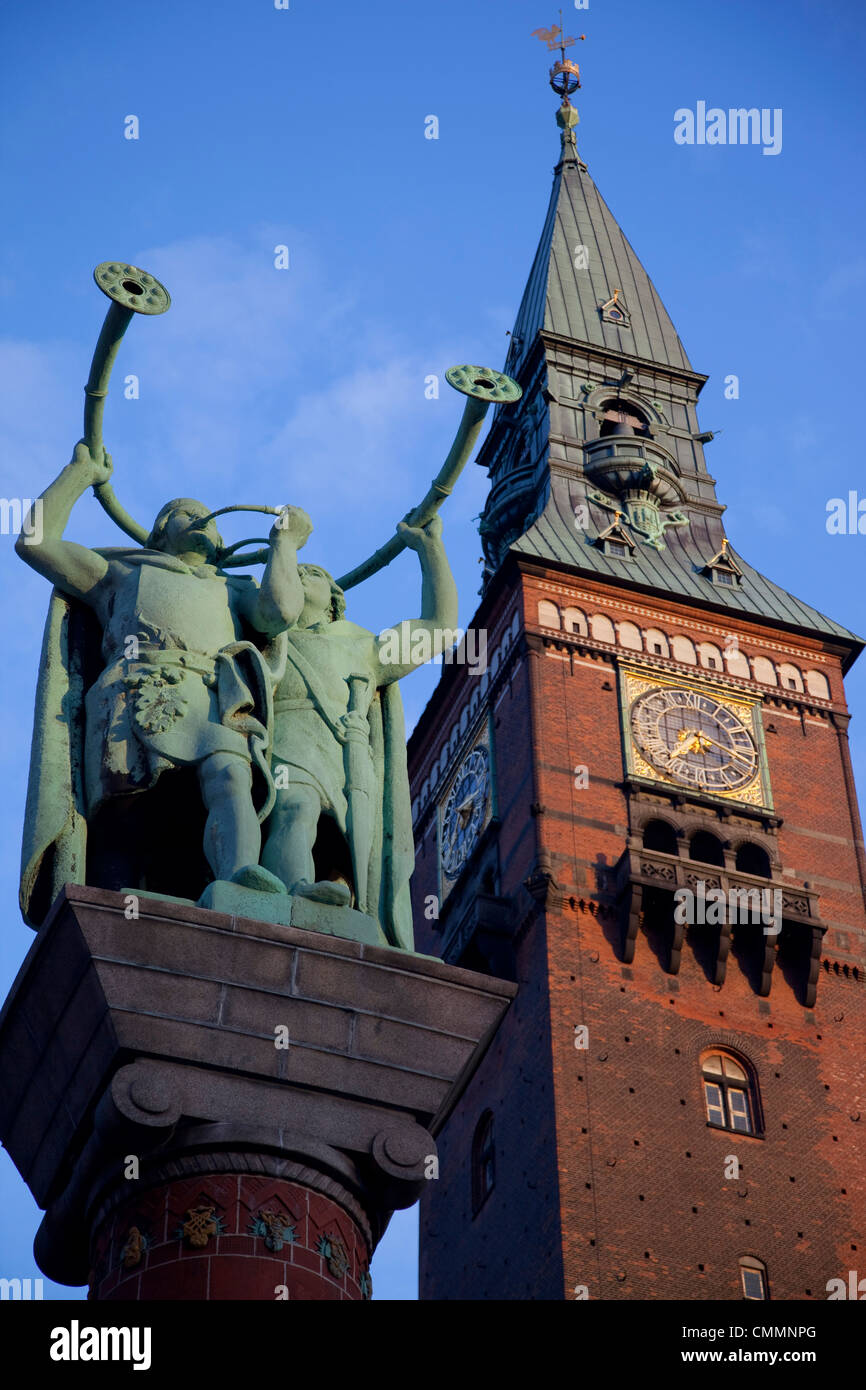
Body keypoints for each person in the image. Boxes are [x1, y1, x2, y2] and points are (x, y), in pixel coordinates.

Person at [17, 439, 311, 921]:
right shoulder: (120, 571)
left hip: (215, 695)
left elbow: (281, 613)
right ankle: (109, 906)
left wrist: (284, 542)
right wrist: (79, 473)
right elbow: (34, 542)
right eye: (185, 512)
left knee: (230, 775)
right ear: (159, 532)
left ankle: (241, 879)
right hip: (134, 692)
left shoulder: (234, 589)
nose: (201, 519)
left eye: (209, 518)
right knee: (125, 808)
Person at [261, 513, 458, 951]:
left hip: (346, 754)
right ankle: (291, 886)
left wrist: (430, 549)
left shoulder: (362, 645)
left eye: (306, 574)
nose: (295, 575)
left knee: (350, 846)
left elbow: (439, 627)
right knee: (295, 807)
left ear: (333, 599)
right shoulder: (267, 631)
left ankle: (338, 897)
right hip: (288, 735)